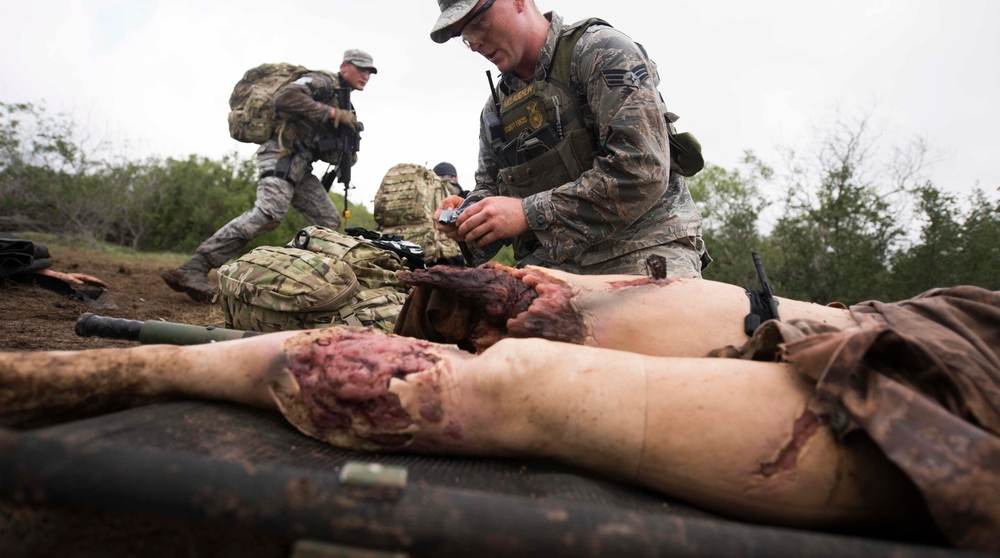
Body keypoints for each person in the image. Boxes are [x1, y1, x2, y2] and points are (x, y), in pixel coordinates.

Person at [2, 267, 997, 551]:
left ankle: (111, 378)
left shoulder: (598, 61)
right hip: (940, 318)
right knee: (531, 301)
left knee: (502, 385)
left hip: (957, 402)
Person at [429, 0, 708, 277]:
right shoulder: (495, 108)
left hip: (645, 247)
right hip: (553, 265)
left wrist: (525, 213)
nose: (473, 43)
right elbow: (493, 188)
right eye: (463, 35)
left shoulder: (600, 51)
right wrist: (470, 216)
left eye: (477, 22)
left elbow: (641, 170)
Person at [162, 50, 378, 303]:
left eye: (369, 72)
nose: (365, 75)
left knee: (327, 221)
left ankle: (300, 277)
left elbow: (320, 142)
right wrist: (332, 115)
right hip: (280, 154)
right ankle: (196, 267)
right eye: (360, 69)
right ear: (344, 67)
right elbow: (286, 98)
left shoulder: (342, 100)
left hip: (301, 166)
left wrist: (344, 150)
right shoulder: (323, 81)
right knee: (268, 214)